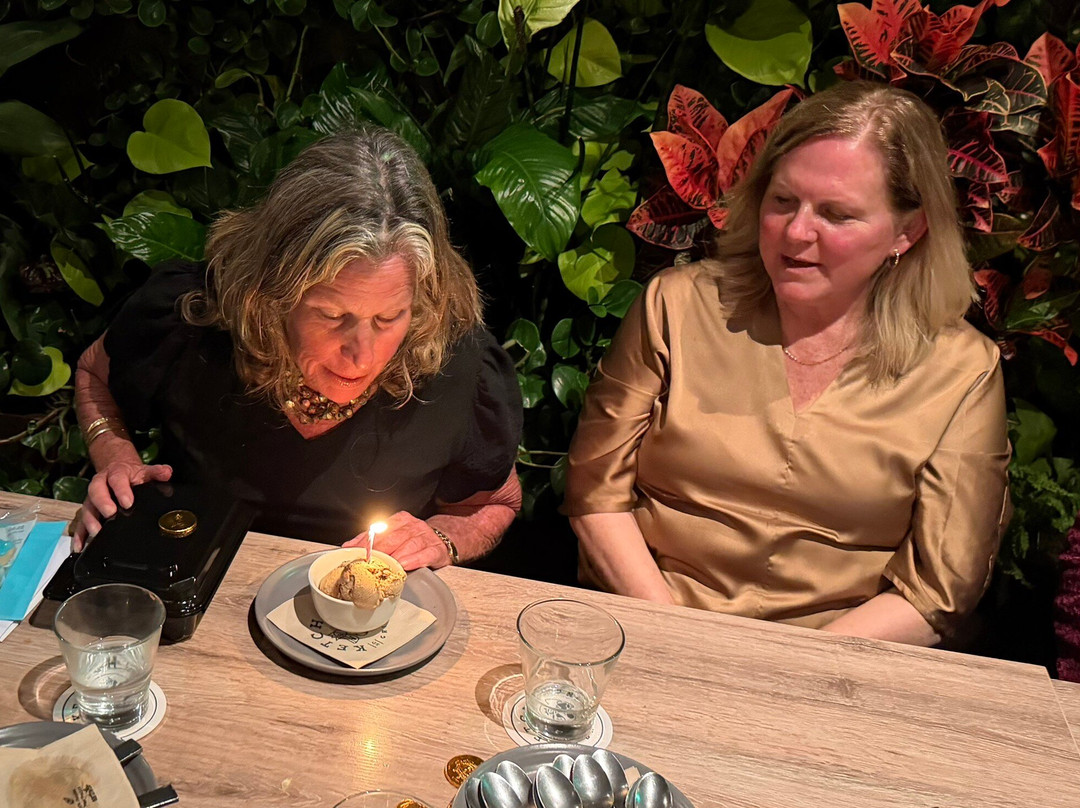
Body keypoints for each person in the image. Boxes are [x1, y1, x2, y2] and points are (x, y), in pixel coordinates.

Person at [564, 81, 1011, 646]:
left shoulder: (962, 371)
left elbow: (939, 589)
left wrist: (794, 670)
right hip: (646, 627)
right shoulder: (677, 306)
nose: (797, 232)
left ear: (907, 231)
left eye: (837, 214)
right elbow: (595, 494)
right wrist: (677, 639)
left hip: (839, 664)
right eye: (783, 201)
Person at [73, 128, 523, 570]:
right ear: (271, 292)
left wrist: (442, 539)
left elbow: (494, 503)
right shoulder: (192, 316)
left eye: (388, 319)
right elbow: (94, 374)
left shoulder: (457, 364)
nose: (362, 355)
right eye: (333, 315)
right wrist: (117, 460)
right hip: (194, 577)